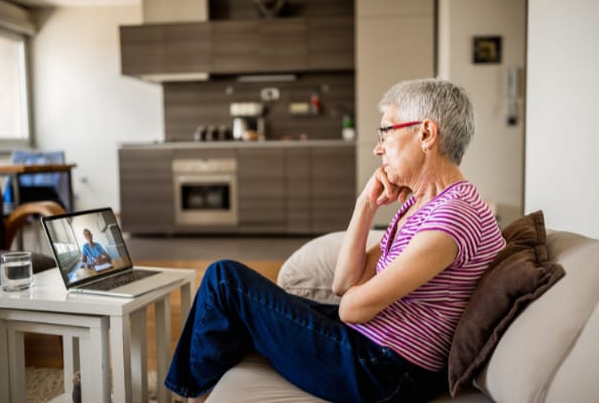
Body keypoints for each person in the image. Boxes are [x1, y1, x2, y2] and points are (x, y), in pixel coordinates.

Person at [164, 78, 505, 403]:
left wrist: (358, 300)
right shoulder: (423, 205)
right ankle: (201, 386)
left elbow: (351, 308)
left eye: (386, 131)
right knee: (234, 299)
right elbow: (344, 284)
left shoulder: (452, 215)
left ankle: (188, 394)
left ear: (426, 133)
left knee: (226, 282)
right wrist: (366, 203)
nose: (377, 148)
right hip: (371, 348)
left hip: (383, 373)